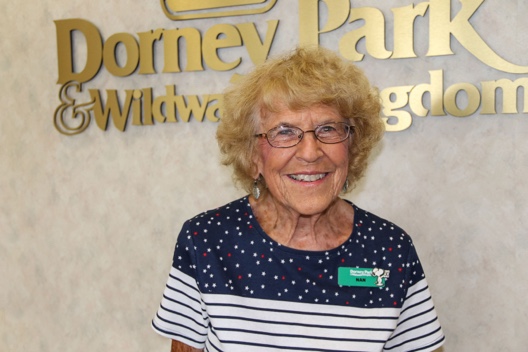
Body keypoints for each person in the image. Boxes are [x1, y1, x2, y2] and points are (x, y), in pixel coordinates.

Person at [152, 47, 445, 352]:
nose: (309, 152)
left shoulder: (390, 250)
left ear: (352, 147)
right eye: (284, 132)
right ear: (253, 156)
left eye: (328, 129)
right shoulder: (206, 242)